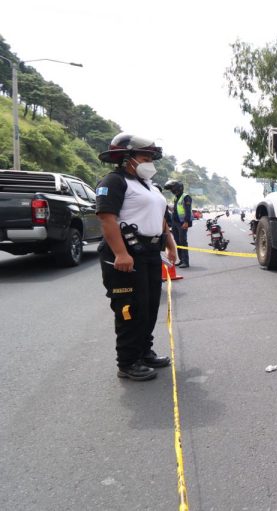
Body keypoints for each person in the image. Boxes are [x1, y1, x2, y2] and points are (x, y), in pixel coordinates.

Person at [95, 133, 176, 381]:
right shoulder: (114, 181)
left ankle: (144, 352)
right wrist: (120, 253)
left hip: (150, 253)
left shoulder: (148, 185)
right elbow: (107, 218)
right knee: (130, 308)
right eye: (145, 157)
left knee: (150, 305)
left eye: (152, 157)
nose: (150, 162)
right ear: (127, 158)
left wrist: (170, 244)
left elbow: (160, 217)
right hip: (127, 254)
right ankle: (128, 362)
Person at [164, 179, 192, 268]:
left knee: (183, 242)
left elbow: (188, 211)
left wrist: (186, 222)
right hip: (175, 222)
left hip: (182, 223)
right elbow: (176, 209)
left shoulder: (186, 197)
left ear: (178, 188)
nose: (172, 191)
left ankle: (186, 262)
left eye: (173, 189)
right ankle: (181, 260)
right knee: (178, 242)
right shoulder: (176, 197)